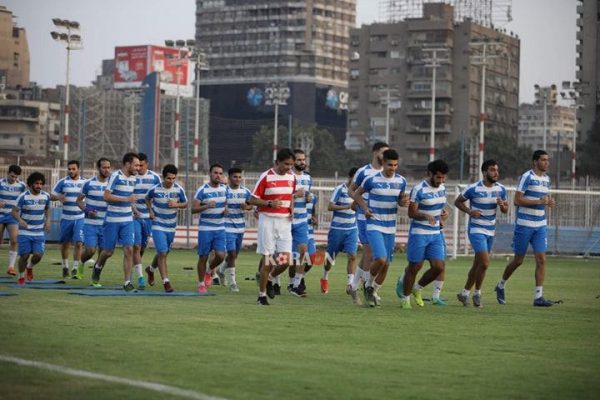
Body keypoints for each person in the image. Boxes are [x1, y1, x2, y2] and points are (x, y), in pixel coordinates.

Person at [495, 150, 556, 307]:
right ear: (535, 162)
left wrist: (548, 202)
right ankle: (501, 285)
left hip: (540, 225)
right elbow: (517, 200)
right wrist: (538, 201)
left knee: (541, 259)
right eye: (543, 160)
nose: (546, 163)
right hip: (524, 224)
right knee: (518, 260)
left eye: (547, 160)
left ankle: (538, 297)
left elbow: (543, 199)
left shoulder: (547, 179)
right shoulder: (526, 176)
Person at [353, 149, 408, 307]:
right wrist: (364, 208)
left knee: (386, 265)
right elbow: (356, 194)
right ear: (383, 164)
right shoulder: (371, 179)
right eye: (390, 165)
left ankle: (373, 289)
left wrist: (402, 203)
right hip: (374, 224)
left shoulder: (401, 181)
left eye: (395, 165)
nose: (393, 168)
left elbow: (400, 200)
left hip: (390, 227)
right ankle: (368, 286)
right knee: (380, 258)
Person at [454, 160, 508, 307]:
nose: (496, 173)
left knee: (478, 264)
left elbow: (505, 210)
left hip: (490, 230)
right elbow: (458, 202)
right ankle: (477, 293)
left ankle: (464, 293)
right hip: (476, 230)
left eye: (497, 170)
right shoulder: (473, 188)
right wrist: (470, 211)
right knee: (484, 262)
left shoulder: (501, 189)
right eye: (492, 170)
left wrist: (503, 206)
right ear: (484, 172)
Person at [397, 159, 449, 309]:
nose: (441, 180)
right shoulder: (419, 189)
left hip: (435, 233)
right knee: (415, 267)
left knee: (439, 267)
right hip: (419, 233)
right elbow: (411, 212)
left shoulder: (442, 188)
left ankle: (417, 288)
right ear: (430, 174)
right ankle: (405, 299)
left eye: (444, 177)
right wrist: (426, 215)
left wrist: (442, 215)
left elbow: (439, 208)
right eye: (438, 177)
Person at [248, 148, 296, 305]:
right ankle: (261, 296)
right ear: (277, 162)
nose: (289, 168)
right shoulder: (266, 177)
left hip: (285, 222)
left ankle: (269, 278)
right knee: (267, 259)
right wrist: (269, 203)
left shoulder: (292, 177)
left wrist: (292, 209)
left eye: (291, 165)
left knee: (286, 260)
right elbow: (252, 199)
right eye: (286, 164)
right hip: (267, 220)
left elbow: (291, 196)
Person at [91, 152, 140, 290]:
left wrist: (134, 210)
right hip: (112, 220)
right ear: (128, 164)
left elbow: (129, 198)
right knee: (108, 252)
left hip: (127, 220)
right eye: (136, 165)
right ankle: (98, 266)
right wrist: (126, 200)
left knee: (129, 249)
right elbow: (106, 197)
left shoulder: (133, 179)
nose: (138, 167)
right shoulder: (115, 176)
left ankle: (127, 282)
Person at [347, 141, 389, 300]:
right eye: (383, 153)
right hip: (364, 217)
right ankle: (367, 288)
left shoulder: (387, 173)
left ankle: (354, 286)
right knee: (370, 253)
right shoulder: (363, 171)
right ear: (375, 153)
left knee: (370, 255)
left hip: (381, 219)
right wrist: (361, 204)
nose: (386, 156)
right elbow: (351, 190)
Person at [145, 164, 187, 293]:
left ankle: (151, 269)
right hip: (158, 224)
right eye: (169, 178)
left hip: (171, 226)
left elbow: (185, 203)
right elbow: (147, 198)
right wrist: (150, 211)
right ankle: (166, 282)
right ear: (163, 177)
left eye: (173, 178)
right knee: (162, 252)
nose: (171, 181)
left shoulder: (179, 189)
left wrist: (177, 204)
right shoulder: (155, 189)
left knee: (163, 252)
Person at [322, 167, 358, 297]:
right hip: (337, 229)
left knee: (352, 256)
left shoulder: (359, 192)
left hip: (352, 229)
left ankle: (350, 284)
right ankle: (325, 277)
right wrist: (346, 206)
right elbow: (330, 206)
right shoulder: (340, 189)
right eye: (355, 178)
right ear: (349, 177)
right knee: (330, 258)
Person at [192, 163, 228, 294]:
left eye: (220, 173)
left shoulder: (225, 189)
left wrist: (225, 211)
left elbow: (225, 205)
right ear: (210, 174)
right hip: (206, 228)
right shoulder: (202, 190)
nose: (218, 175)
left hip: (220, 227)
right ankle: (201, 283)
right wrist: (206, 206)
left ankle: (209, 271)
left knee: (221, 255)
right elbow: (193, 209)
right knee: (203, 256)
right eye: (215, 173)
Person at [12, 172, 51, 285]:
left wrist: (47, 221)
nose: (39, 185)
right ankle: (21, 276)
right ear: (30, 184)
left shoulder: (46, 196)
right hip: (25, 231)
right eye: (36, 183)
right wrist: (20, 220)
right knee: (25, 255)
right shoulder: (23, 197)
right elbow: (14, 211)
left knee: (38, 255)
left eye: (41, 183)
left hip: (39, 231)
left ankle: (30, 267)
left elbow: (47, 208)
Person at [76, 158, 112, 279]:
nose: (106, 170)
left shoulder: (112, 184)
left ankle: (96, 275)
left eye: (108, 167)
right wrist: (88, 210)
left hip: (107, 224)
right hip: (90, 223)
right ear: (98, 168)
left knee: (104, 253)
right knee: (91, 250)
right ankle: (80, 263)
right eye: (104, 167)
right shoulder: (88, 183)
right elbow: (79, 201)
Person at [219, 167, 252, 292]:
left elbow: (251, 205)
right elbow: (217, 205)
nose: (238, 179)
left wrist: (247, 207)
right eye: (235, 177)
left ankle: (221, 270)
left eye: (239, 177)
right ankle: (233, 282)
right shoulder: (224, 191)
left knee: (234, 255)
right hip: (227, 227)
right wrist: (222, 210)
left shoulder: (245, 191)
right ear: (229, 178)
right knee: (232, 254)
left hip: (240, 227)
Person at [51, 160, 86, 278]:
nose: (71, 171)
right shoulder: (62, 182)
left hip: (80, 217)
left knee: (79, 243)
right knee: (66, 244)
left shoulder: (85, 182)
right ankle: (65, 266)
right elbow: (51, 196)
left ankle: (75, 267)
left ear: (78, 169)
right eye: (69, 169)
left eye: (73, 169)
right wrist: (58, 197)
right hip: (66, 218)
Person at [132, 153, 161, 289]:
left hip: (149, 218)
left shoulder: (155, 178)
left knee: (142, 247)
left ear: (146, 164)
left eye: (141, 165)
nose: (138, 168)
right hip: (134, 217)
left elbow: (159, 195)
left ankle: (141, 267)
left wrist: (154, 212)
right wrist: (134, 210)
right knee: (136, 246)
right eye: (136, 165)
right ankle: (140, 278)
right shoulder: (131, 177)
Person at [288, 149, 312, 296]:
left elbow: (308, 195)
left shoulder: (308, 178)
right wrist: (294, 195)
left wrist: (309, 198)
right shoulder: (288, 176)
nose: (302, 162)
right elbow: (284, 196)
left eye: (303, 159)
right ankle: (274, 281)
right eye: (298, 160)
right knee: (283, 255)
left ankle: (296, 284)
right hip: (286, 219)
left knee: (303, 252)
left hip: (302, 220)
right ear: (292, 161)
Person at [0, 165, 27, 276]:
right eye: (12, 176)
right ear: (8, 173)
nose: (13, 179)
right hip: (0, 214)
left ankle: (11, 267)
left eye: (16, 177)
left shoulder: (22, 186)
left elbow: (27, 197)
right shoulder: (1, 183)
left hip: (13, 216)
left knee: (14, 240)